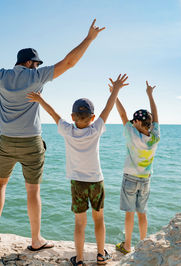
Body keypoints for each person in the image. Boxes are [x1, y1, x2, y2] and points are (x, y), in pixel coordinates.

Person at [0, 19, 105, 251]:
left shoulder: (1, 77)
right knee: (32, 190)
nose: (37, 66)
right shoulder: (36, 77)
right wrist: (89, 39)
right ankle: (35, 240)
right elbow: (69, 62)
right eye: (36, 63)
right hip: (31, 142)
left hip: (6, 140)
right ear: (29, 62)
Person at [27, 74, 129, 265]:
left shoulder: (67, 130)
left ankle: (80, 259)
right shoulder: (96, 128)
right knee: (99, 219)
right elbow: (108, 108)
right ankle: (100, 255)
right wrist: (116, 89)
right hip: (96, 181)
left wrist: (40, 99)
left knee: (79, 222)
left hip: (77, 183)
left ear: (72, 116)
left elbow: (53, 113)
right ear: (92, 117)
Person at [113, 81, 161, 254]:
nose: (132, 122)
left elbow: (121, 113)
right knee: (142, 213)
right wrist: (150, 94)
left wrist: (115, 94)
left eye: (134, 121)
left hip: (130, 179)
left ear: (139, 123)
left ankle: (127, 246)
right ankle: (142, 246)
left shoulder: (132, 133)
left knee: (129, 213)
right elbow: (155, 117)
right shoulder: (155, 137)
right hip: (146, 180)